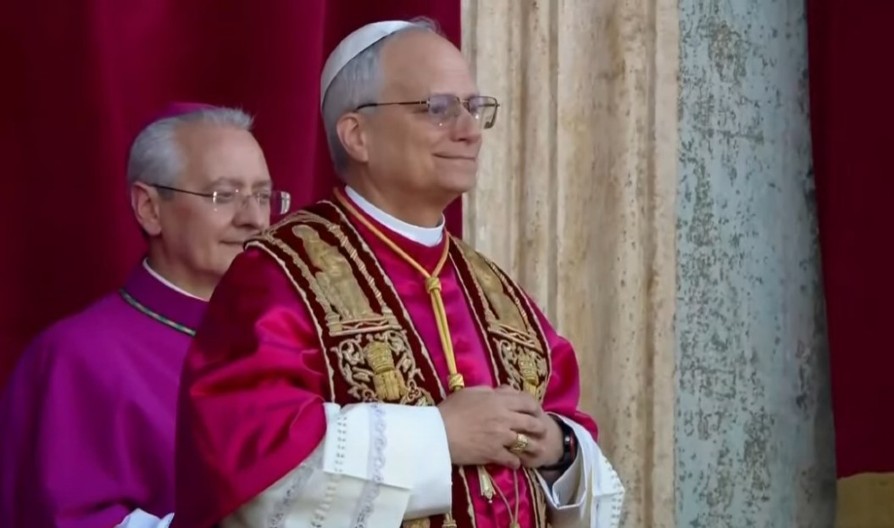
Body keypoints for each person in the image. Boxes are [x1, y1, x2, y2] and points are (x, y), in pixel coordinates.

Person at [172, 18, 625, 528]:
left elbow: (572, 432)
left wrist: (560, 450)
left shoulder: (496, 290)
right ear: (357, 135)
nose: (469, 130)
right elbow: (251, 473)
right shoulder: (278, 277)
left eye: (475, 107)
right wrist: (439, 437)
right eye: (438, 108)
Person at [0, 103, 290, 528]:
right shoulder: (76, 358)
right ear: (149, 208)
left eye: (263, 196)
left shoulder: (289, 336)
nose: (253, 219)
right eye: (224, 196)